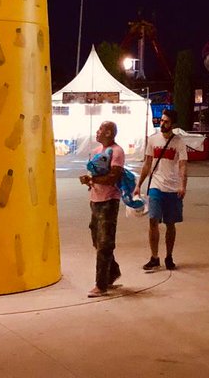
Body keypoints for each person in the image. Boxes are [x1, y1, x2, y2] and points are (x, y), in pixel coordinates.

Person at [133, 107, 188, 272]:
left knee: (170, 224)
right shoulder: (153, 140)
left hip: (172, 188)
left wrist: (182, 185)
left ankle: (169, 256)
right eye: (162, 120)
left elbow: (183, 165)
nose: (162, 123)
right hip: (155, 186)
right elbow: (147, 164)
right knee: (153, 220)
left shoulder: (179, 142)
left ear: (172, 124)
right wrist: (138, 185)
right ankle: (154, 257)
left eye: (166, 121)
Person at [79, 120, 125, 297]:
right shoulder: (97, 152)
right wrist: (89, 180)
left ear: (109, 133)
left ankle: (101, 284)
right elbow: (95, 174)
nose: (97, 132)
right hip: (95, 200)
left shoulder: (117, 152)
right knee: (96, 240)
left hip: (109, 201)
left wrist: (94, 180)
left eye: (100, 130)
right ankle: (112, 272)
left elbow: (113, 176)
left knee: (105, 242)